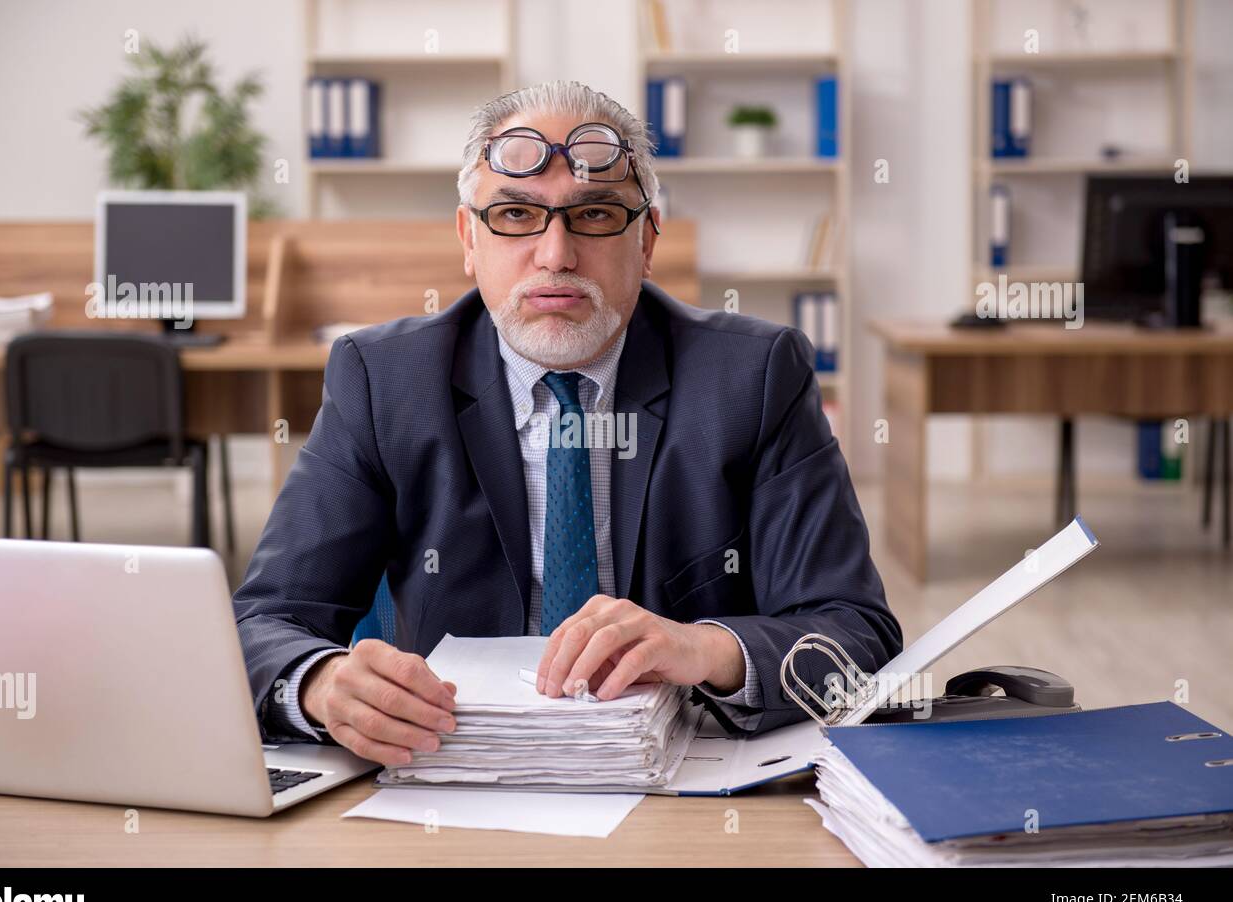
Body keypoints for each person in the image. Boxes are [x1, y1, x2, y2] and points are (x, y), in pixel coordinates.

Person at [233, 80, 902, 767]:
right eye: (517, 215)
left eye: (595, 215)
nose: (555, 253)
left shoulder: (756, 378)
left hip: (681, 783)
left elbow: (855, 635)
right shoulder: (383, 381)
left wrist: (704, 648)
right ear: (469, 238)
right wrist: (319, 684)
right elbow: (261, 622)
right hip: (453, 775)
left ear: (646, 240)